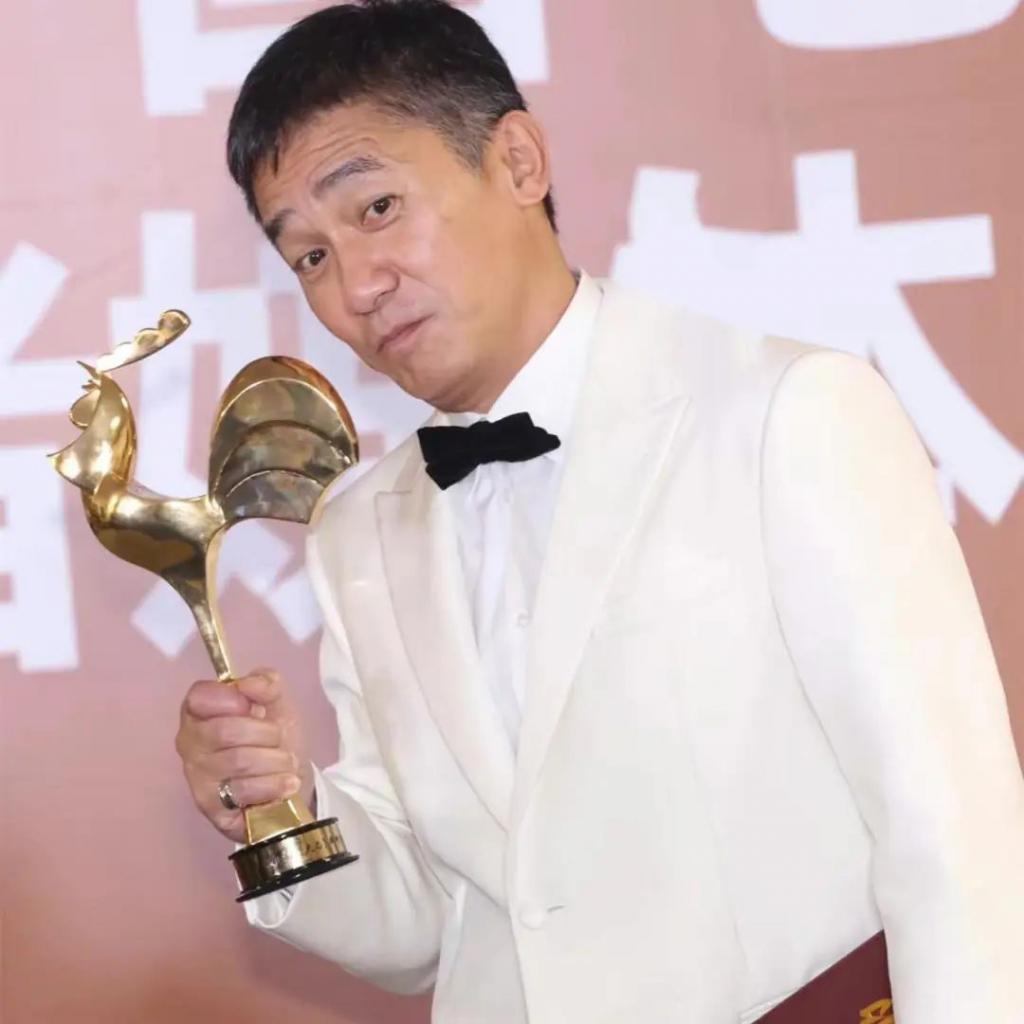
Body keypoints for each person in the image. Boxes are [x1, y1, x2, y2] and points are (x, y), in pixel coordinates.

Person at [174, 2, 1024, 1021]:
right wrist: (285, 808)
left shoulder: (784, 413)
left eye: (378, 208)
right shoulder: (358, 530)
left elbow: (955, 834)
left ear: (519, 162)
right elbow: (431, 925)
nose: (356, 284)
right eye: (308, 256)